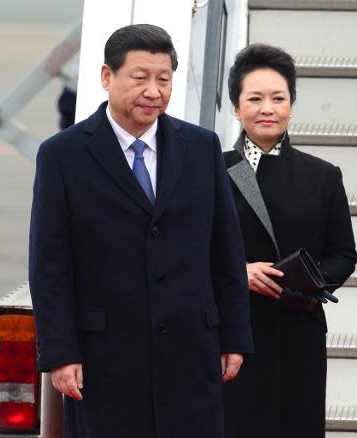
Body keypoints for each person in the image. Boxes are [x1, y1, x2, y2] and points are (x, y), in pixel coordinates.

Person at [28, 24, 253, 437]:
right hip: (104, 360)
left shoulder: (201, 148)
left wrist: (235, 336)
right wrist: (60, 353)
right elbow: (50, 265)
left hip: (191, 355)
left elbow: (225, 250)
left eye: (163, 79)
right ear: (106, 78)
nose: (154, 91)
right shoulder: (63, 155)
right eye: (140, 78)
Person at [222, 44, 357, 438]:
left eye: (279, 98)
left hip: (300, 328)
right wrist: (237, 272)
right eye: (255, 98)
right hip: (236, 332)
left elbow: (343, 253)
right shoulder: (214, 170)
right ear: (236, 107)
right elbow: (190, 248)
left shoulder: (322, 175)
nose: (268, 108)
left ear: (291, 105)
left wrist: (306, 282)